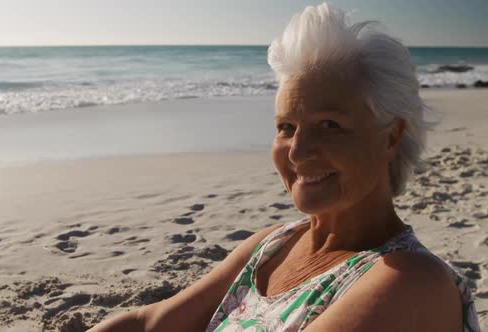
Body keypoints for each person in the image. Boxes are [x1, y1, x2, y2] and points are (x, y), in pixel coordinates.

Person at [89, 3, 480, 331]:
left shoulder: (410, 281)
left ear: (391, 137)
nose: (297, 151)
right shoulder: (271, 245)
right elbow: (148, 323)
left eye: (329, 125)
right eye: (286, 127)